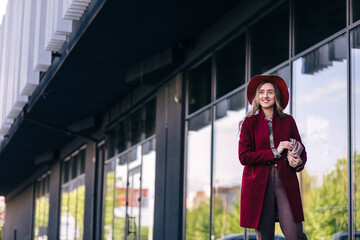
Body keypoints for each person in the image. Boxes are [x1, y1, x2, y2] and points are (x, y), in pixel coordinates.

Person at [238, 75, 307, 240]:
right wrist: (276, 151)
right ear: (257, 96)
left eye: (270, 92)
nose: (265, 96)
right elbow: (243, 156)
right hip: (258, 185)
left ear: (276, 95)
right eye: (261, 92)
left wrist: (298, 162)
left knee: (295, 235)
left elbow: (301, 152)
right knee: (265, 236)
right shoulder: (248, 123)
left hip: (285, 182)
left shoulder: (288, 121)